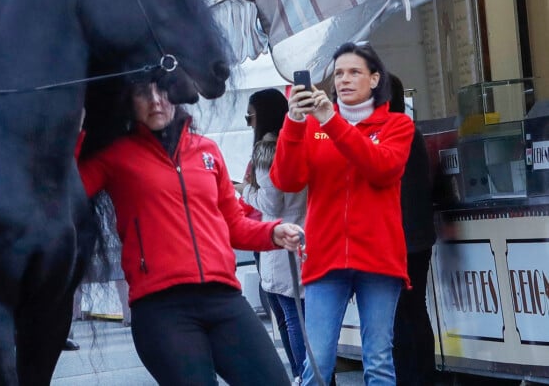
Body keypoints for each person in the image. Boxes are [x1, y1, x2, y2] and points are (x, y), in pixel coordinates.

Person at [77, 79, 303, 385]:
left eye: (163, 90)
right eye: (144, 92)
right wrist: (81, 129)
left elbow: (233, 225)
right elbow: (68, 193)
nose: (156, 100)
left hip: (224, 299)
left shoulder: (206, 150)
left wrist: (273, 233)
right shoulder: (115, 155)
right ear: (128, 101)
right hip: (161, 309)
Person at [270, 42, 415, 386]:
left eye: (354, 72)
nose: (344, 80)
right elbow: (286, 181)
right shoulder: (312, 126)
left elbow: (381, 169)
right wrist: (293, 121)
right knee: (317, 362)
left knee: (378, 361)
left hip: (379, 257)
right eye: (338, 73)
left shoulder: (397, 125)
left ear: (375, 79)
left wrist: (331, 122)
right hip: (326, 256)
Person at [242, 88, 308, 383]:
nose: (248, 123)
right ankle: (305, 375)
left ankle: (301, 375)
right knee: (293, 316)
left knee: (291, 319)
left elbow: (271, 203)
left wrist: (244, 190)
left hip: (281, 242)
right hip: (299, 237)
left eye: (250, 117)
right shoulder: (300, 142)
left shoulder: (267, 151)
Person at [389, 75, 436, 386]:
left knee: (402, 315)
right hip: (415, 236)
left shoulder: (393, 135)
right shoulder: (409, 132)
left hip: (399, 239)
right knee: (413, 310)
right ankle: (421, 378)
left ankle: (412, 379)